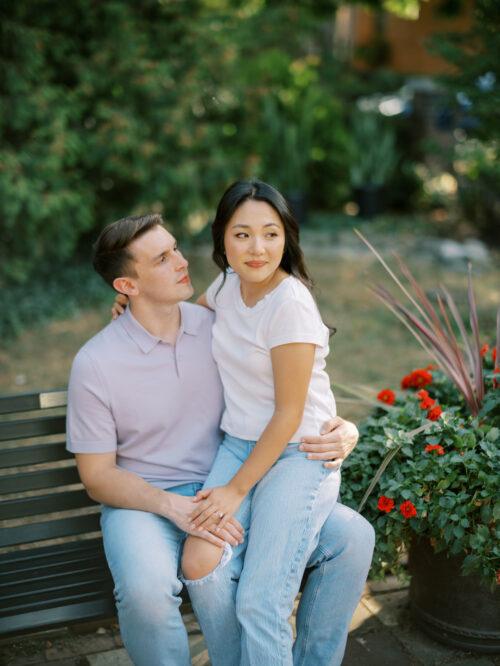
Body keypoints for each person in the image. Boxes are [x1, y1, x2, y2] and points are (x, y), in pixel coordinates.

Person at [68, 212, 374, 666]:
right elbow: (97, 476)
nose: (181, 261)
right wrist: (173, 506)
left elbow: (293, 389)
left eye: (175, 248)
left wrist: (343, 428)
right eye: (162, 258)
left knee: (352, 537)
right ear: (127, 287)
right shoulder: (95, 363)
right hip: (145, 504)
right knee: (146, 593)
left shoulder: (216, 325)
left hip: (231, 483)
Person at [179, 180, 342, 665]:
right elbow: (191, 316)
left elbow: (289, 414)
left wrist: (233, 492)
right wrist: (137, 308)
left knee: (261, 600)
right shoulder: (228, 286)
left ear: (287, 239)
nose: (257, 248)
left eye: (271, 234)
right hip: (240, 443)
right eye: (242, 234)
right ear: (222, 240)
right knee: (200, 560)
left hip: (299, 454)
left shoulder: (289, 304)